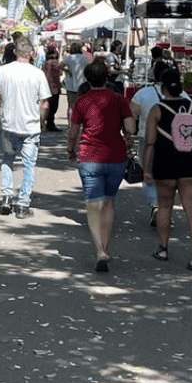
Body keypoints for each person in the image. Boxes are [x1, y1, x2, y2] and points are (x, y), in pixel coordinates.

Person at [67, 59, 135, 271]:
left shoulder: (81, 101)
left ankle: (100, 250)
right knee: (108, 203)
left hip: (89, 158)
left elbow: (73, 132)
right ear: (107, 78)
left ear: (87, 79)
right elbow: (131, 128)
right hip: (116, 157)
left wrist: (70, 150)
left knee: (93, 205)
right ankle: (106, 245)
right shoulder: (118, 99)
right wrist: (126, 134)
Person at [144, 66, 192, 273]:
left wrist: (146, 168)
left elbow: (149, 142)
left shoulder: (157, 109)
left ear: (163, 87)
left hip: (165, 162)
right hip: (191, 162)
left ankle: (163, 248)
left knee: (164, 206)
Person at [0, 37, 51, 219]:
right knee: (29, 165)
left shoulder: (4, 71)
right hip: (30, 127)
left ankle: (6, 197)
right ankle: (22, 205)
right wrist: (42, 121)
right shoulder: (37, 74)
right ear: (31, 53)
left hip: (9, 125)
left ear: (15, 51)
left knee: (7, 160)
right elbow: (44, 103)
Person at [131, 49, 192, 227]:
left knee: (147, 173)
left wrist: (128, 133)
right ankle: (166, 210)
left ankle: (155, 206)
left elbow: (131, 113)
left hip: (146, 138)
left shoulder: (143, 93)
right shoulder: (182, 95)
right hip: (173, 141)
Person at [62, 41, 88, 115]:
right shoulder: (84, 58)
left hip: (70, 84)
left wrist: (67, 70)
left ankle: (70, 124)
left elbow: (59, 65)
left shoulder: (69, 58)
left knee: (71, 106)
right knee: (82, 106)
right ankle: (80, 124)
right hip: (82, 84)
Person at [42, 44, 62, 131]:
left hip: (46, 85)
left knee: (47, 104)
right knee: (54, 106)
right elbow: (60, 73)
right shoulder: (56, 62)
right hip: (54, 86)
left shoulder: (45, 63)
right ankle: (50, 123)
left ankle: (45, 122)